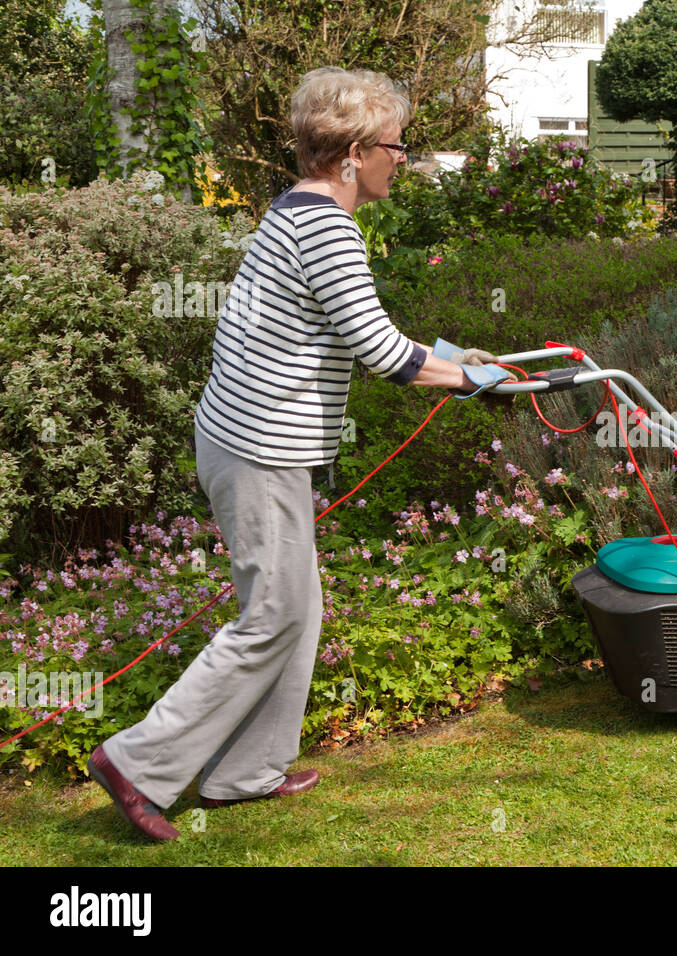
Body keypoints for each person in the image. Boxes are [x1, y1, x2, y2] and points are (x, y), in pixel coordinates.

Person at [87, 67, 516, 841]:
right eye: (395, 146)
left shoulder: (296, 211)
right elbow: (383, 353)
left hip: (247, 441)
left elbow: (350, 329)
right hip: (257, 452)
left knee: (297, 610)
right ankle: (135, 761)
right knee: (273, 614)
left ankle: (246, 771)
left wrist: (458, 357)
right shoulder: (325, 226)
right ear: (354, 153)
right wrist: (473, 379)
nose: (402, 159)